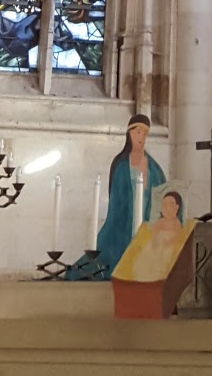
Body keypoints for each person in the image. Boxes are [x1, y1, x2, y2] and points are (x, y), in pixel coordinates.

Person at [66, 113, 166, 278]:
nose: (141, 137)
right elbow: (116, 200)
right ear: (129, 133)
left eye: (145, 133)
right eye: (138, 132)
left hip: (148, 223)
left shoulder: (153, 167)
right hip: (122, 224)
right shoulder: (121, 164)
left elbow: (162, 193)